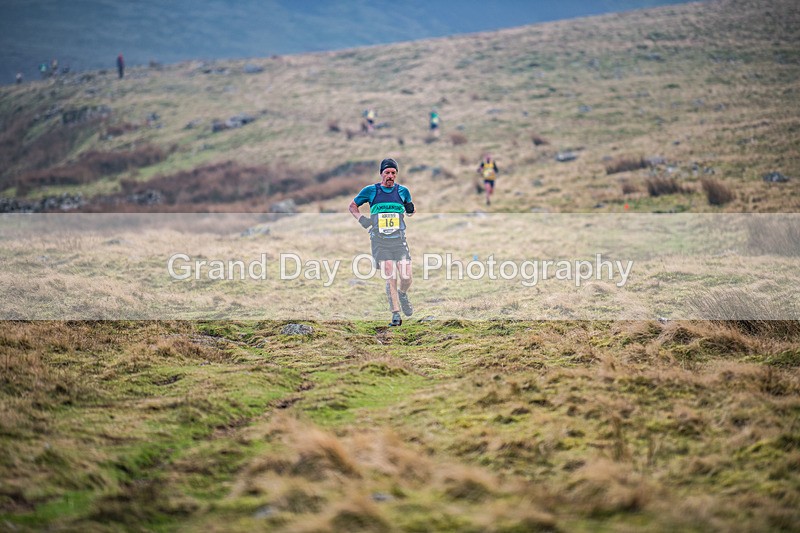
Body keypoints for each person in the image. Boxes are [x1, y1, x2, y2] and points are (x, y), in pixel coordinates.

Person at [349, 158, 415, 326]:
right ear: (381, 174)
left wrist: (411, 209)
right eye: (387, 172)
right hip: (379, 241)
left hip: (399, 240)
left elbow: (409, 212)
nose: (390, 176)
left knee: (406, 277)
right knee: (390, 274)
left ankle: (402, 294)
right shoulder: (371, 191)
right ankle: (395, 314)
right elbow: (352, 206)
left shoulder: (403, 191)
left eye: (393, 173)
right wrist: (362, 219)